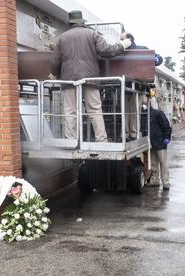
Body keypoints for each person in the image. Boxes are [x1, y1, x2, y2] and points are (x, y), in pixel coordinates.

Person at [54, 11, 131, 142]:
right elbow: (107, 51)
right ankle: (101, 139)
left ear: (71, 23)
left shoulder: (62, 38)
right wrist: (122, 45)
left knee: (70, 111)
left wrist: (54, 74)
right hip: (90, 78)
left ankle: (70, 140)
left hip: (68, 78)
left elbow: (55, 61)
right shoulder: (92, 34)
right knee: (94, 109)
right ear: (82, 22)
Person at [120, 32, 162, 141]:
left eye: (122, 39)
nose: (121, 41)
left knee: (134, 112)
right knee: (125, 112)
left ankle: (133, 134)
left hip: (137, 87)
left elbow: (158, 58)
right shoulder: (120, 50)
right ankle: (125, 134)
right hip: (124, 87)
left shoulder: (142, 49)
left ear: (130, 39)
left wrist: (156, 60)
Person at [145, 99, 172, 190]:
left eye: (145, 102)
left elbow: (166, 126)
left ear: (149, 103)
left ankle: (166, 182)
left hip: (160, 143)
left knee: (163, 163)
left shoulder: (157, 113)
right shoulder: (143, 115)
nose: (143, 104)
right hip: (151, 144)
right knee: (153, 164)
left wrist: (167, 137)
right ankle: (155, 180)